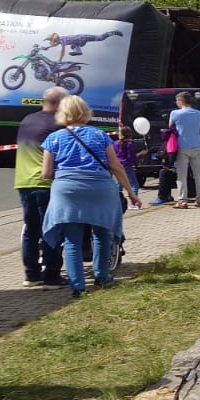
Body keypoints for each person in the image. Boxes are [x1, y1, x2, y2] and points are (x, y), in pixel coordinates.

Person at [40, 95, 141, 297]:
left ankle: (77, 287)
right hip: (100, 188)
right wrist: (131, 193)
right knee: (102, 233)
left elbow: (46, 173)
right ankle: (102, 276)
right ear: (86, 112)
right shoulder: (100, 135)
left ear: (62, 113)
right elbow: (116, 167)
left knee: (72, 240)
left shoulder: (53, 138)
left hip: (67, 190)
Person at [14, 85, 67, 287]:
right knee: (51, 229)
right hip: (46, 182)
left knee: (31, 229)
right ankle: (52, 276)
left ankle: (32, 275)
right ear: (60, 103)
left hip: (23, 181)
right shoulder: (58, 124)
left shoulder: (27, 119)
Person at [167, 91, 200, 207]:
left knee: (181, 175)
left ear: (181, 101)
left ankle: (182, 200)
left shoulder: (175, 113)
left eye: (177, 101)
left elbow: (170, 127)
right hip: (196, 145)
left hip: (182, 147)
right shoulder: (199, 113)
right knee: (198, 174)